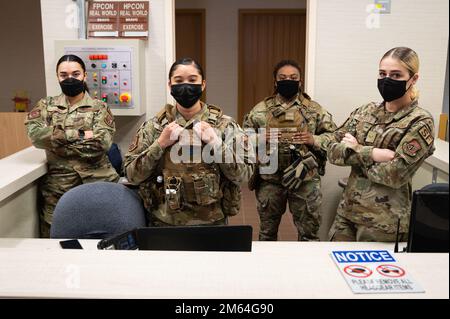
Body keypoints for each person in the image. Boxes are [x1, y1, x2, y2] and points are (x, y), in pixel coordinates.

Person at [124, 58, 254, 226]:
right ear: (170, 85)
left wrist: (216, 143)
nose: (186, 85)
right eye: (179, 81)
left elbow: (244, 175)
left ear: (203, 84)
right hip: (164, 223)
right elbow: (132, 176)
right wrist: (160, 144)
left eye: (192, 80)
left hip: (212, 224)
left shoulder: (225, 125)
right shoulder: (154, 127)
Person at [324, 47, 435, 242]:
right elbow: (331, 150)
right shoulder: (365, 111)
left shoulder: (420, 121)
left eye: (396, 75)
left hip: (384, 224)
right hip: (346, 215)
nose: (387, 80)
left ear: (413, 79)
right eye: (382, 73)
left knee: (374, 273)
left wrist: (356, 149)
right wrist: (373, 153)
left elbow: (395, 174)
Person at [25, 54, 119, 237]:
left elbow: (102, 143)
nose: (70, 78)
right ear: (58, 77)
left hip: (98, 183)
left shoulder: (99, 107)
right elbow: (35, 136)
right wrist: (80, 134)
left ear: (84, 75)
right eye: (64, 74)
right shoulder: (46, 105)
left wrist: (57, 141)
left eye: (75, 74)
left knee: (102, 237)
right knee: (56, 242)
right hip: (58, 189)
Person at [243, 60, 337, 241]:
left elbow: (335, 138)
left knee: (309, 236)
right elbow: (241, 139)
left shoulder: (314, 111)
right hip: (270, 181)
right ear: (275, 81)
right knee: (267, 235)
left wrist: (314, 139)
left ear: (300, 81)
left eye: (293, 78)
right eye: (283, 78)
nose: (288, 81)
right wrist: (260, 138)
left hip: (304, 179)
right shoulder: (260, 110)